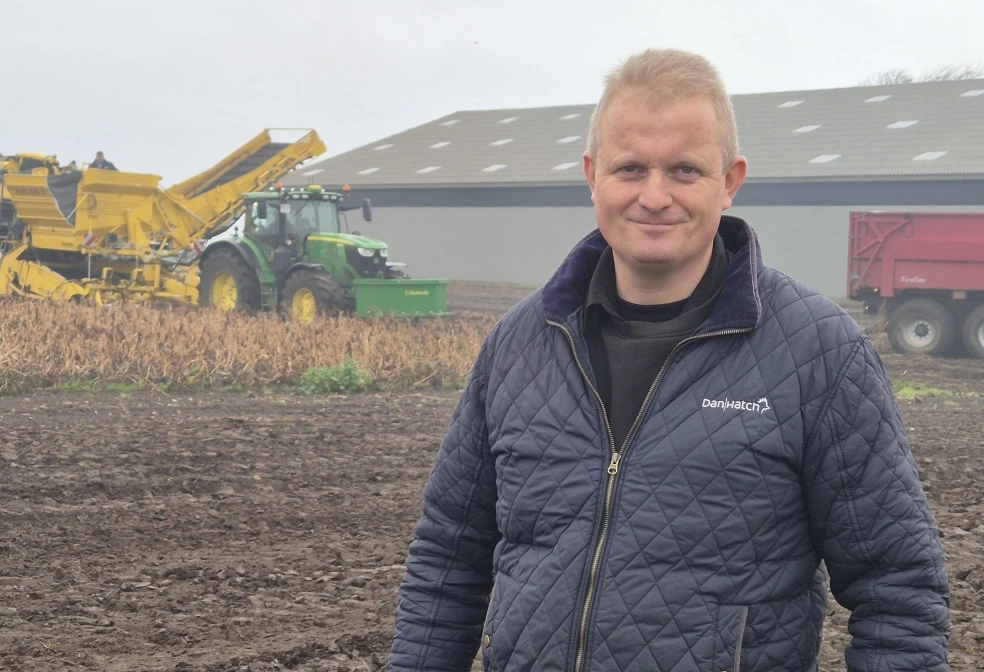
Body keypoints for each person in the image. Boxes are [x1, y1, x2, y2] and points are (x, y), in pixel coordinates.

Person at [389, 48, 949, 671]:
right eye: (630, 168)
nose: (655, 197)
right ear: (592, 174)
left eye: (685, 170)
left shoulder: (817, 350)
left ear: (730, 180)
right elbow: (449, 558)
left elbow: (896, 585)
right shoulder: (521, 342)